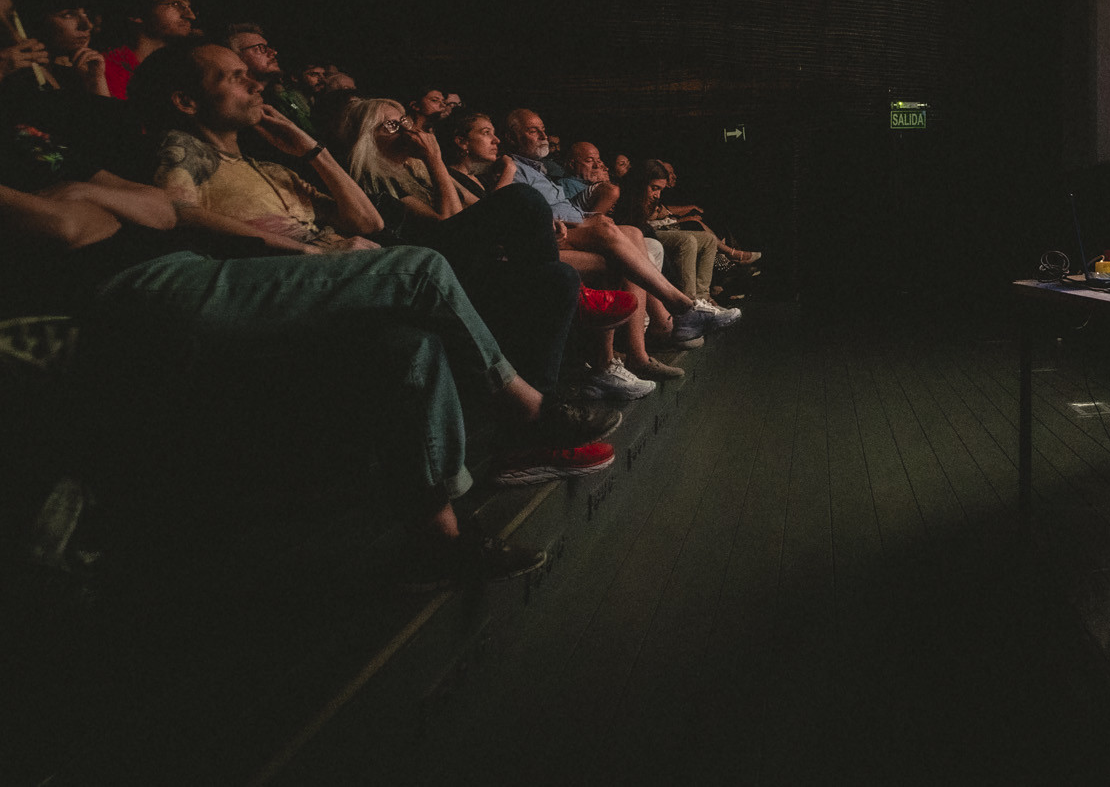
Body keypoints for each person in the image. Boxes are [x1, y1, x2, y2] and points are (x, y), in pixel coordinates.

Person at [0, 119, 622, 590]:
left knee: (410, 344)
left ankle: (438, 541)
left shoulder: (246, 160)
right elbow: (67, 228)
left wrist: (83, 190)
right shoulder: (148, 154)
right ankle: (524, 407)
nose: (253, 80)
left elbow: (162, 211)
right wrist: (91, 197)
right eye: (234, 73)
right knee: (421, 268)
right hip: (145, 287)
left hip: (196, 264)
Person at [344, 97, 642, 398]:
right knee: (525, 198)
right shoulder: (378, 182)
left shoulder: (417, 171)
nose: (406, 132)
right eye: (392, 125)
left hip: (480, 251)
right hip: (441, 266)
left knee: (560, 276)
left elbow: (482, 208)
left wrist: (540, 222)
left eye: (404, 122)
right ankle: (602, 322)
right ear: (367, 135)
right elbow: (448, 223)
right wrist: (434, 159)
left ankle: (544, 404)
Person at [500, 109, 736, 380]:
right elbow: (516, 213)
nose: (543, 135)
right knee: (618, 248)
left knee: (633, 234)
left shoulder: (538, 170)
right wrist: (587, 222)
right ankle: (680, 308)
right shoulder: (509, 168)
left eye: (543, 128)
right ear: (511, 138)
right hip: (552, 236)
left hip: (572, 227)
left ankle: (640, 353)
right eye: (533, 130)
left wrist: (590, 218)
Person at [130, 39, 385, 254]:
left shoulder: (273, 171)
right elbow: (176, 211)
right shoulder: (181, 147)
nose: (256, 86)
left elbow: (368, 223)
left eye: (248, 75)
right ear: (186, 102)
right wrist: (313, 252)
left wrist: (313, 151)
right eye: (236, 78)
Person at [613, 160, 729, 314]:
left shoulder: (649, 200)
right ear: (641, 182)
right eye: (654, 188)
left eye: (660, 190)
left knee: (708, 239)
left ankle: (703, 298)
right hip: (640, 236)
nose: (657, 195)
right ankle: (690, 306)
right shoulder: (620, 195)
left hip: (648, 231)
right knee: (687, 241)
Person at [101, 0, 198, 100]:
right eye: (175, 4)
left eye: (188, 6)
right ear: (137, 14)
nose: (191, 16)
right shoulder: (105, 68)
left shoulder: (183, 67)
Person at [222, 23, 316, 135]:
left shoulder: (277, 98)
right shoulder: (237, 111)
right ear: (236, 56)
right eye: (261, 48)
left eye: (269, 47)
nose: (274, 53)